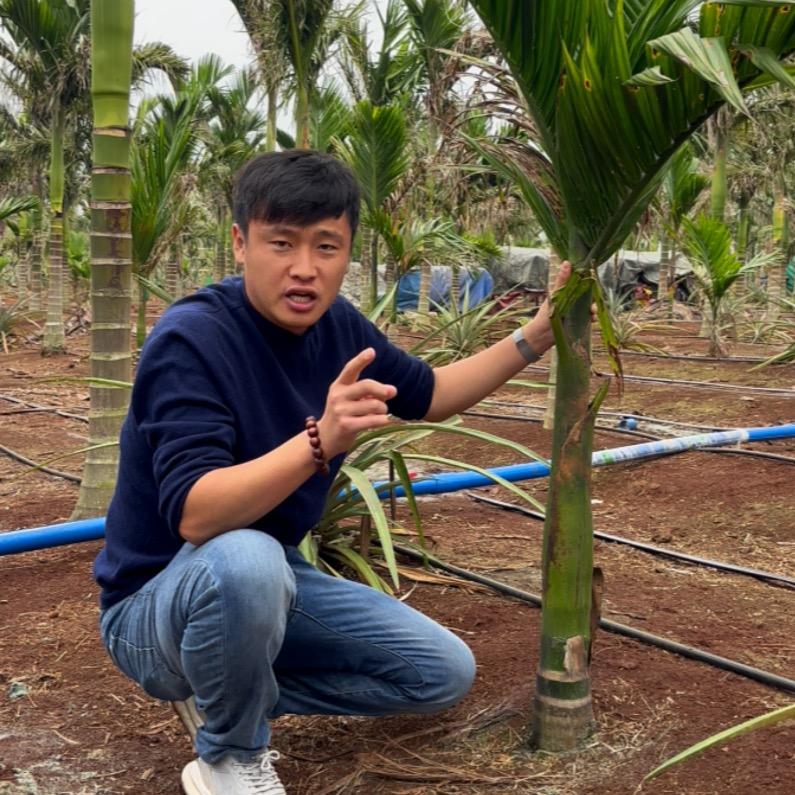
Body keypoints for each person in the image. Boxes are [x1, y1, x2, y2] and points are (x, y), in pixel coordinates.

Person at [93, 150, 570, 795]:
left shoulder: (338, 326)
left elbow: (431, 392)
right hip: (154, 607)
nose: (304, 269)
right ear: (240, 243)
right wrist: (320, 440)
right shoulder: (192, 338)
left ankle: (231, 692)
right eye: (281, 243)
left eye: (326, 246)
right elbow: (196, 515)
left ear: (347, 252)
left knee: (438, 672)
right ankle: (230, 757)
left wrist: (536, 337)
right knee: (246, 557)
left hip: (264, 583)